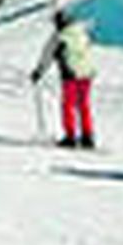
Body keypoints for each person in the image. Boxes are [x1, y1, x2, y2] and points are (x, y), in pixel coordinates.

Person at [30, 10, 97, 148]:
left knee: (68, 105)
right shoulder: (81, 32)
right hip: (87, 73)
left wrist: (39, 72)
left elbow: (47, 55)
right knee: (83, 104)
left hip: (70, 74)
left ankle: (70, 137)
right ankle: (87, 136)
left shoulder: (59, 37)